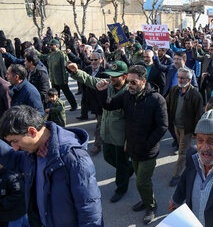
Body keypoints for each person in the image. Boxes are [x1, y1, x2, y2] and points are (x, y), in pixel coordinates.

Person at [0, 105, 103, 226]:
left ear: (32, 132)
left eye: (15, 141)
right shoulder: (33, 152)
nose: (15, 147)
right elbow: (13, 158)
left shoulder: (73, 158)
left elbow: (89, 210)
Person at [96, 65, 168, 224]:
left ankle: (151, 206)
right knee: (140, 180)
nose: (129, 86)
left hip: (148, 150)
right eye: (128, 82)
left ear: (143, 81)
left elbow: (162, 126)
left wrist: (147, 144)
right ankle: (145, 199)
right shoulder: (127, 96)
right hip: (132, 148)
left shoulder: (157, 99)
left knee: (142, 181)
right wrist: (101, 91)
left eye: (133, 82)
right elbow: (109, 104)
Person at [68, 60, 134, 203]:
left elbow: (133, 120)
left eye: (115, 76)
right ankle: (129, 169)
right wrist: (75, 71)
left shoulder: (129, 93)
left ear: (125, 76)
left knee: (121, 163)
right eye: (110, 75)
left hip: (121, 136)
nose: (111, 78)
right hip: (107, 132)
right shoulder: (107, 85)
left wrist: (129, 140)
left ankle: (121, 188)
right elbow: (90, 79)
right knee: (108, 157)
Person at [166, 67, 203, 187]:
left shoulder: (195, 95)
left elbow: (198, 115)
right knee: (184, 149)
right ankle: (192, 159)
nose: (180, 80)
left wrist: (196, 132)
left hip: (187, 129)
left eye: (183, 78)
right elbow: (167, 103)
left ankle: (177, 175)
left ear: (190, 79)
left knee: (182, 153)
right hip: (176, 125)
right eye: (179, 77)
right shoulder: (175, 90)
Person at [37, 39, 78, 111]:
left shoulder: (61, 55)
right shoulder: (50, 54)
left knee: (67, 93)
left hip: (61, 79)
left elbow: (64, 68)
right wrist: (35, 51)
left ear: (56, 46)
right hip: (53, 79)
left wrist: (65, 79)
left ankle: (74, 105)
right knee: (55, 95)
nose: (50, 46)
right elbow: (42, 56)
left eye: (51, 45)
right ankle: (57, 108)